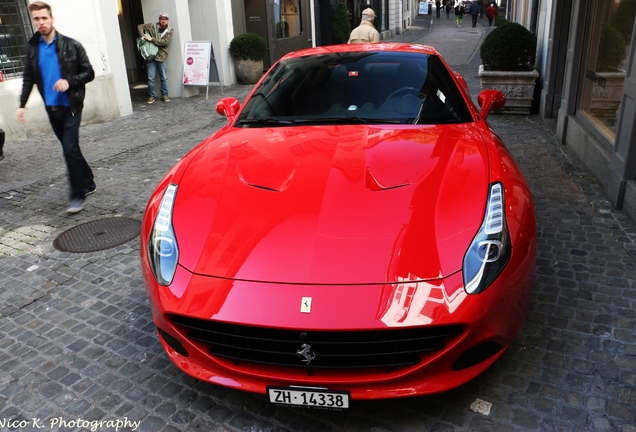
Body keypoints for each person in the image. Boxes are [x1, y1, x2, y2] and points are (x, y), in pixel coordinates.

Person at [16, 1, 96, 213]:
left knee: (69, 149)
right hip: (52, 108)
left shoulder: (72, 45)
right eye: (37, 19)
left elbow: (89, 72)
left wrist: (69, 82)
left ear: (52, 18)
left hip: (71, 106)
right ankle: (88, 181)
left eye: (44, 18)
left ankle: (77, 195)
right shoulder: (33, 48)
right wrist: (21, 104)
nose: (41, 22)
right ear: (33, 21)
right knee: (72, 149)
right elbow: (29, 77)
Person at [138, 12, 173, 104]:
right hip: (150, 55)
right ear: (159, 19)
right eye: (162, 19)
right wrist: (143, 36)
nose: (163, 21)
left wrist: (151, 39)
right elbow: (140, 26)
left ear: (167, 20)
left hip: (162, 56)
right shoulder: (152, 26)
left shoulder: (169, 30)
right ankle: (151, 96)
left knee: (164, 77)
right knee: (150, 78)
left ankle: (165, 95)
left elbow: (164, 42)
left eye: (165, 19)